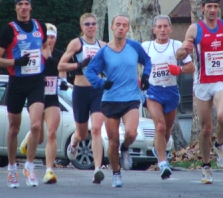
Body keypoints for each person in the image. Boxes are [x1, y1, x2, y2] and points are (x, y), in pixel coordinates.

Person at [177, 0, 223, 184]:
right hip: (203, 82)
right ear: (202, 9)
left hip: (222, 80)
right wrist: (184, 51)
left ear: (218, 8)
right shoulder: (195, 29)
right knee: (206, 129)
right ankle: (206, 167)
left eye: (216, 7)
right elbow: (180, 54)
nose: (213, 10)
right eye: (209, 7)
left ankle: (220, 144)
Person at [0, 0, 50, 188]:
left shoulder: (39, 26)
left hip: (35, 81)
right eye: (20, 4)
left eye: (26, 4)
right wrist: (16, 61)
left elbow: (44, 48)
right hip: (16, 82)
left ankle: (30, 166)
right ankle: (11, 168)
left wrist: (46, 58)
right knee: (14, 129)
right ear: (16, 8)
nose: (23, 7)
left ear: (31, 7)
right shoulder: (9, 30)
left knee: (35, 126)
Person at [85, 15, 151, 187]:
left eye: (124, 25)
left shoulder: (134, 47)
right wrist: (101, 83)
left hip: (131, 98)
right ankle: (116, 173)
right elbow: (90, 71)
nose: (121, 28)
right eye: (118, 25)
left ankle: (126, 148)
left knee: (131, 133)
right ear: (112, 28)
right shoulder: (104, 51)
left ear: (128, 28)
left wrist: (145, 76)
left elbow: (148, 61)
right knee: (113, 141)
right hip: (111, 100)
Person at [141, 15, 195, 180]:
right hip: (153, 91)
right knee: (160, 126)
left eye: (165, 27)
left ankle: (160, 151)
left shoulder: (176, 45)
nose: (162, 30)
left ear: (170, 29)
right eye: (159, 27)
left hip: (171, 91)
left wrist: (179, 70)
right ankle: (163, 163)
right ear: (154, 30)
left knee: (167, 130)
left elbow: (191, 66)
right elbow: (132, 62)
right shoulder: (146, 46)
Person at [58, 13, 106, 184]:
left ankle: (98, 169)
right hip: (80, 91)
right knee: (82, 132)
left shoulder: (103, 45)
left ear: (97, 26)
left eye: (94, 23)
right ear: (82, 27)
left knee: (97, 129)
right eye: (87, 24)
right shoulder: (76, 43)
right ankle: (74, 142)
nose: (91, 26)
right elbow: (61, 65)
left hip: (98, 91)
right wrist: (79, 65)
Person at [20, 23, 68, 184]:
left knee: (52, 132)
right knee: (38, 137)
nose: (50, 40)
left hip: (52, 98)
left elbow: (62, 70)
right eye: (47, 37)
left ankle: (49, 171)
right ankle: (29, 139)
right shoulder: (35, 54)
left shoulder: (60, 55)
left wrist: (63, 81)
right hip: (35, 98)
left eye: (53, 38)